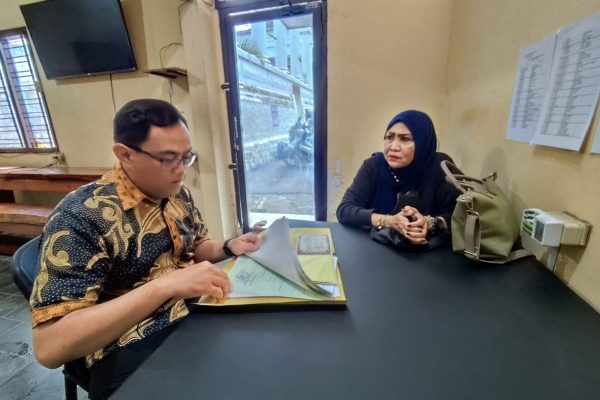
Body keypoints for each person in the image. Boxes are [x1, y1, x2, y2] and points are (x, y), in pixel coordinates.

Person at [29, 99, 261, 399]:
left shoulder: (176, 192)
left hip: (192, 313)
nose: (182, 170)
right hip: (127, 343)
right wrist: (164, 286)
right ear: (125, 154)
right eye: (168, 159)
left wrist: (229, 246)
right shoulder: (81, 216)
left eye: (187, 157)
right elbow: (49, 347)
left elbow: (197, 245)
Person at [336, 110, 459, 247]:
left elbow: (459, 215)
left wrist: (429, 223)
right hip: (374, 248)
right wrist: (388, 221)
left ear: (423, 143)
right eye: (389, 137)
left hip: (428, 254)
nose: (393, 147)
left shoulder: (440, 167)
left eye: (405, 139)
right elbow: (344, 210)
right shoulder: (373, 166)